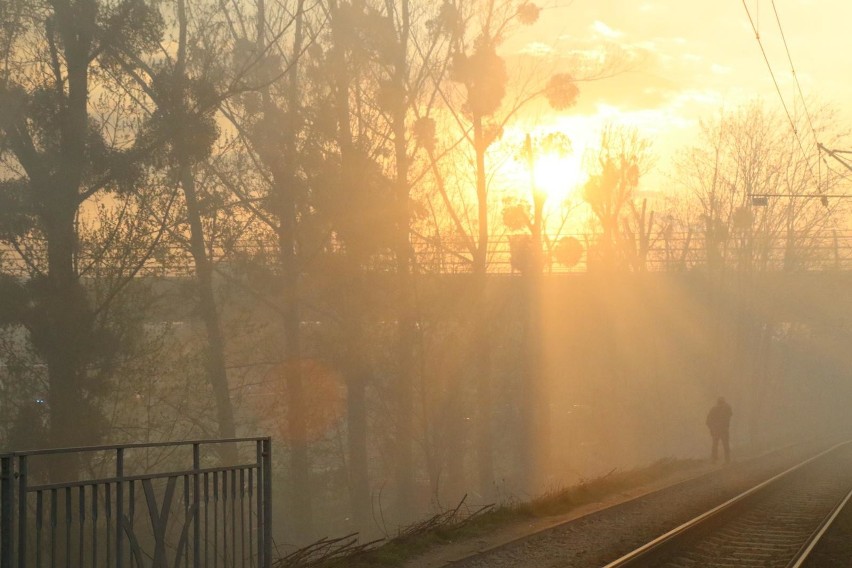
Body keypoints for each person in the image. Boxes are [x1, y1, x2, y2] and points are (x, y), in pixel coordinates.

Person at [706, 397, 733, 463]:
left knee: (715, 444)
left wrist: (711, 428)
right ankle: (727, 459)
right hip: (723, 429)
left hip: (716, 430)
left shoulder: (713, 409)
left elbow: (708, 421)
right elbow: (730, 414)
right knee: (725, 444)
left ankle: (714, 459)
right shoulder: (726, 408)